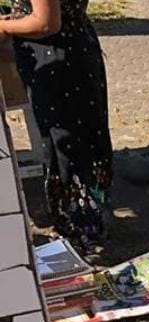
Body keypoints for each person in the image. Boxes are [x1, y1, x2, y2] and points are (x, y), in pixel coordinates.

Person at [2, 0, 112, 252]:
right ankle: (75, 218)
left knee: (66, 144)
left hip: (57, 56)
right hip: (67, 48)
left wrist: (4, 28)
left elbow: (45, 22)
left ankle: (80, 231)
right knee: (73, 140)